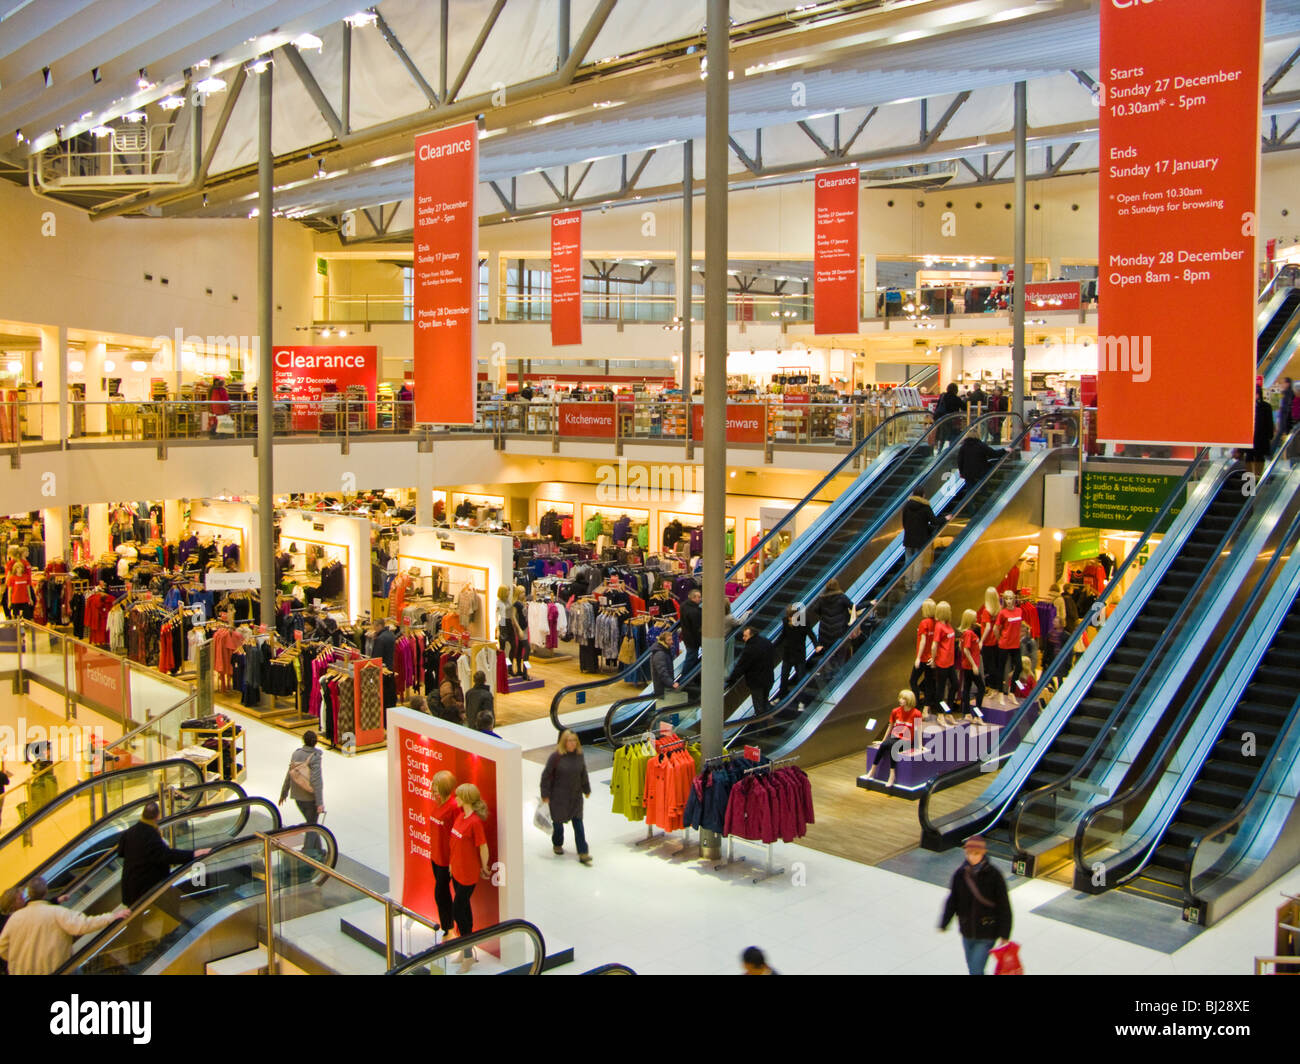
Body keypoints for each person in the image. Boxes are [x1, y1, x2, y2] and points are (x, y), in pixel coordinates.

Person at [0, 877, 129, 975]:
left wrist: (18, 958)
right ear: (45, 892)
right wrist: (112, 917)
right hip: (57, 970)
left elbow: (3, 949)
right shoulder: (57, 913)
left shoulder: (14, 919)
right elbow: (84, 925)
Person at [117, 800, 211, 908]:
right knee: (170, 903)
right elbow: (166, 855)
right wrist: (193, 854)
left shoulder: (130, 831)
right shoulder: (151, 835)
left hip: (130, 887)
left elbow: (121, 852)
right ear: (157, 816)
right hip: (145, 889)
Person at [940, 836, 1012, 975]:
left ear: (983, 853)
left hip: (987, 932)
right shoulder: (960, 874)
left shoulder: (994, 875)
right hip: (967, 930)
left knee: (975, 970)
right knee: (973, 967)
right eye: (969, 853)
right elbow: (953, 900)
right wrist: (945, 922)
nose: (972, 857)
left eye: (976, 853)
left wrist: (1004, 934)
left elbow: (1004, 906)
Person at [448, 783, 492, 967]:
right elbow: (454, 844)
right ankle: (465, 950)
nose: (455, 799)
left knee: (458, 910)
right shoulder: (460, 817)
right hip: (456, 871)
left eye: (458, 796)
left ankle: (467, 953)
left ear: (465, 798)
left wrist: (484, 867)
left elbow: (483, 846)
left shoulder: (474, 822)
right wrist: (451, 864)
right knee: (463, 910)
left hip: (468, 874)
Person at [541, 729, 592, 865]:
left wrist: (586, 789)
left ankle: (583, 852)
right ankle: (557, 843)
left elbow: (583, 774)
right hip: (558, 798)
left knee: (579, 825)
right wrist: (545, 794)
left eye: (575, 740)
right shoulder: (556, 757)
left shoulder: (579, 756)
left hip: (575, 797)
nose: (573, 743)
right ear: (564, 742)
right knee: (558, 825)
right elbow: (546, 776)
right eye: (570, 740)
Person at [428, 770, 459, 935]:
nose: (433, 789)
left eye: (436, 786)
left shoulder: (453, 808)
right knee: (442, 893)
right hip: (436, 857)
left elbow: (456, 836)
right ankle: (448, 927)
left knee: (440, 893)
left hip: (446, 861)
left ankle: (449, 928)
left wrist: (453, 861)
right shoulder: (439, 803)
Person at [871, 690, 922, 788]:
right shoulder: (895, 711)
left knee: (893, 747)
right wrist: (883, 740)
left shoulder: (916, 713)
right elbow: (890, 726)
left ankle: (892, 774)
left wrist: (918, 746)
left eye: (903, 698)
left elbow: (918, 730)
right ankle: (873, 769)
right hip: (895, 736)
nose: (900, 700)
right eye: (900, 698)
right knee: (884, 745)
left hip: (906, 740)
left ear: (909, 700)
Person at [279, 730, 324, 827]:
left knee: (312, 825)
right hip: (309, 798)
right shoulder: (315, 757)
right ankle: (309, 843)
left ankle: (316, 843)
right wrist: (320, 802)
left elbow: (289, 775)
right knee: (312, 828)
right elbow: (316, 780)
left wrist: (284, 793)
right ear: (315, 742)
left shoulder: (296, 754)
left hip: (297, 797)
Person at [728, 625, 776, 715]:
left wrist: (732, 679)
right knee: (765, 701)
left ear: (752, 635)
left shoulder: (750, 649)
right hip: (769, 678)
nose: (743, 638)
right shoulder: (766, 642)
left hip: (756, 682)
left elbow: (741, 666)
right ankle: (769, 718)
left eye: (745, 636)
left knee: (759, 707)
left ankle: (762, 724)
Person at [901, 494, 946, 590]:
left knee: (908, 561)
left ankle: (907, 584)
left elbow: (904, 523)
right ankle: (915, 585)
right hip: (920, 539)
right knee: (918, 562)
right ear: (923, 495)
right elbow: (934, 521)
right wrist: (945, 518)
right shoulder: (925, 507)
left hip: (908, 539)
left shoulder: (906, 506)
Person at [993, 591, 1024, 705]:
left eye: (1011, 598)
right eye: (1007, 599)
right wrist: (999, 639)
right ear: (1004, 600)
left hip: (1015, 644)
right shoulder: (1003, 613)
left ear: (1014, 599)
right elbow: (996, 628)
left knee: (1019, 667)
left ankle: (1012, 692)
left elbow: (1020, 626)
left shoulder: (1019, 611)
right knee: (1001, 669)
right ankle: (1001, 692)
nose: (1009, 601)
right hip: (1004, 644)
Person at [778, 603, 814, 701]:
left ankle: (802, 700)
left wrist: (817, 645)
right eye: (788, 617)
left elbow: (810, 634)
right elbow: (783, 635)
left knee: (801, 678)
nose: (789, 619)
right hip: (788, 653)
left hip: (799, 654)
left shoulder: (803, 622)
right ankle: (781, 696)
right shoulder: (785, 622)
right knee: (784, 677)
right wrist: (771, 646)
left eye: (791, 616)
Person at [813, 578, 853, 664]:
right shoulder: (842, 597)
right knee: (840, 655)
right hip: (839, 631)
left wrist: (823, 615)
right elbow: (853, 607)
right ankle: (839, 675)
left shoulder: (822, 598)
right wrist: (869, 603)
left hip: (825, 633)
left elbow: (815, 609)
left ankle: (829, 674)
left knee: (828, 656)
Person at [931, 601, 959, 724]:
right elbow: (934, 645)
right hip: (942, 662)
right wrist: (933, 659)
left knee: (955, 685)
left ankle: (948, 711)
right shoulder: (939, 626)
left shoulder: (948, 625)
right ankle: (940, 713)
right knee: (941, 689)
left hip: (950, 661)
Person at [957, 608, 985, 721]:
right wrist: (973, 664)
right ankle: (977, 715)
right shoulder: (969, 633)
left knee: (967, 688)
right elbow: (966, 650)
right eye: (974, 617)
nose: (976, 619)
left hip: (967, 664)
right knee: (981, 688)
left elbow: (961, 647)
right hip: (970, 666)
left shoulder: (966, 632)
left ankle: (967, 713)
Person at [909, 599, 936, 714]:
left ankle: (915, 704)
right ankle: (926, 707)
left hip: (924, 658)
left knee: (913, 680)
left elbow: (923, 641)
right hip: (931, 659)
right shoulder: (936, 623)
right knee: (929, 682)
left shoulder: (924, 623)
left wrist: (918, 657)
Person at [977, 587, 1001, 700]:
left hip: (988, 642)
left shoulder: (987, 611)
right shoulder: (998, 610)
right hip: (996, 642)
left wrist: (981, 641)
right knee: (995, 666)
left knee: (989, 667)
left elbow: (988, 627)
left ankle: (992, 688)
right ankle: (994, 688)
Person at [679, 587, 702, 679]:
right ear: (693, 598)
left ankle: (690, 677)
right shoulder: (694, 612)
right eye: (698, 597)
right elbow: (697, 628)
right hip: (693, 639)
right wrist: (701, 641)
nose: (700, 599)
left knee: (691, 656)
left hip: (687, 637)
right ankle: (684, 678)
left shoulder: (684, 606)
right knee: (691, 658)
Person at [933, 382, 964, 447]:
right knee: (954, 434)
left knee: (943, 435)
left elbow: (938, 406)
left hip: (942, 418)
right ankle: (951, 449)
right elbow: (964, 407)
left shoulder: (943, 396)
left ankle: (940, 449)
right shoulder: (956, 398)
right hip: (953, 419)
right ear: (956, 390)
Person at [1252, 385, 1276, 469]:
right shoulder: (1248, 405)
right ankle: (1249, 474)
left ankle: (1258, 474)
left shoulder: (1266, 406)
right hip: (1251, 437)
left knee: (1259, 456)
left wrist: (1270, 435)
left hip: (1261, 437)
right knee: (1250, 456)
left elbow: (1269, 422)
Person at [648, 631, 676, 699]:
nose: (671, 641)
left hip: (664, 685)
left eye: (671, 639)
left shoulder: (665, 650)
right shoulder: (660, 653)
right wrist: (671, 683)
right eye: (669, 640)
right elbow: (662, 672)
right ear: (663, 641)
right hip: (661, 687)